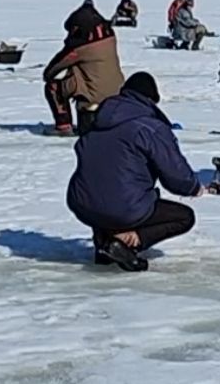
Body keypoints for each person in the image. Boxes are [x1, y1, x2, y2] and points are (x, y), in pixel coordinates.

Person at [66, 71, 202, 271]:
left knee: (102, 192)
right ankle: (129, 242)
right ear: (150, 100)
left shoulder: (96, 123)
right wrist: (193, 187)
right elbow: (175, 176)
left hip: (83, 204)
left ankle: (104, 243)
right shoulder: (149, 128)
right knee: (184, 217)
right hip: (124, 208)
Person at [44, 0, 123, 136]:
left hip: (93, 95)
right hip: (117, 91)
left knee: (53, 88)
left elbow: (52, 70)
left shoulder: (80, 48)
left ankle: (63, 126)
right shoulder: (110, 37)